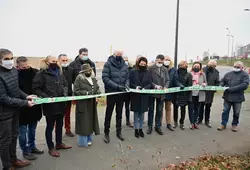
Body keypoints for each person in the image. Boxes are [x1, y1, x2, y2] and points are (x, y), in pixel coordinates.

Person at [0, 49, 35, 170]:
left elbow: (16, 89)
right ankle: (7, 165)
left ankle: (14, 159)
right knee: (5, 140)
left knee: (14, 135)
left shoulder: (14, 71)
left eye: (11, 58)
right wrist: (25, 103)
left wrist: (26, 96)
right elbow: (3, 98)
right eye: (6, 59)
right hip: (3, 113)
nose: (9, 61)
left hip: (15, 110)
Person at [33, 55, 72, 157]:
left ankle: (59, 143)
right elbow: (36, 89)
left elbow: (65, 84)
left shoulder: (59, 72)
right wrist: (47, 97)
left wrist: (64, 94)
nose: (55, 62)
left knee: (60, 125)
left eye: (56, 61)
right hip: (50, 106)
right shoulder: (41, 74)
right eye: (52, 61)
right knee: (50, 126)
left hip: (61, 104)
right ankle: (51, 147)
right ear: (47, 62)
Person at [16, 57, 44, 161]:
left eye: (27, 66)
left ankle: (32, 147)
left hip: (35, 107)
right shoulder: (14, 75)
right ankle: (25, 151)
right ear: (18, 66)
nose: (26, 68)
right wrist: (26, 98)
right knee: (22, 132)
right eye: (24, 67)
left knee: (32, 129)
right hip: (22, 108)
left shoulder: (35, 72)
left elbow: (40, 86)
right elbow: (15, 91)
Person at [102, 50, 129, 143]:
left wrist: (126, 85)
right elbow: (105, 78)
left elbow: (127, 77)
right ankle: (106, 133)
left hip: (121, 94)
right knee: (108, 114)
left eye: (121, 54)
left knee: (119, 114)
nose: (119, 56)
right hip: (112, 93)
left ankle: (119, 132)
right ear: (114, 54)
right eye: (118, 54)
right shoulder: (108, 64)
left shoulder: (124, 65)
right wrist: (117, 86)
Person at [74, 64, 101, 147]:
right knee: (83, 122)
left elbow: (97, 88)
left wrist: (98, 93)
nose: (88, 72)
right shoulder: (79, 78)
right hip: (83, 104)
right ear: (83, 72)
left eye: (89, 70)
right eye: (86, 71)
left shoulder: (93, 78)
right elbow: (76, 91)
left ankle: (89, 139)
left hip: (92, 104)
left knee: (91, 121)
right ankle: (82, 142)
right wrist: (86, 93)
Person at [218, 61, 249, 132]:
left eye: (238, 67)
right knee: (225, 111)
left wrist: (231, 89)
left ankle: (234, 125)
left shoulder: (245, 75)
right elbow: (223, 81)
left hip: (238, 97)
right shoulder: (228, 74)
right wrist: (221, 85)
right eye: (235, 66)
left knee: (236, 112)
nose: (236, 68)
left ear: (242, 67)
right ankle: (223, 124)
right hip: (227, 97)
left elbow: (245, 85)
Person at [130, 57, 152, 138]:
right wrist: (135, 87)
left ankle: (140, 129)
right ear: (138, 63)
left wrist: (145, 88)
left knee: (142, 113)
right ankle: (136, 129)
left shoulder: (148, 72)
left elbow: (150, 83)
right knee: (136, 113)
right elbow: (130, 82)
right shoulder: (133, 71)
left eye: (144, 64)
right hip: (135, 95)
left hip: (144, 95)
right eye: (141, 64)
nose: (142, 65)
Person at [147, 54, 170, 135]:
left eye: (161, 62)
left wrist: (166, 87)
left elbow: (168, 80)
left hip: (161, 93)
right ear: (156, 60)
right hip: (152, 92)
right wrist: (155, 86)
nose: (159, 63)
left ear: (163, 61)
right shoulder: (150, 68)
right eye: (158, 61)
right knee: (151, 110)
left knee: (159, 110)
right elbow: (148, 80)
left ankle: (158, 126)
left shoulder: (165, 69)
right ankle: (149, 126)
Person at [163, 56, 184, 131]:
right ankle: (157, 124)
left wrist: (180, 85)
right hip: (160, 92)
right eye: (166, 60)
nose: (167, 61)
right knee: (159, 109)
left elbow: (176, 80)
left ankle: (168, 124)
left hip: (169, 92)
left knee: (168, 108)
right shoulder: (160, 68)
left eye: (168, 60)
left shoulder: (173, 70)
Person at [198, 60, 220, 128]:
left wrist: (214, 89)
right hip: (202, 91)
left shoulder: (216, 72)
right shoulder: (202, 70)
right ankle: (199, 119)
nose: (212, 67)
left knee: (208, 107)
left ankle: (207, 120)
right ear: (208, 65)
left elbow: (217, 82)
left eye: (213, 66)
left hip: (210, 93)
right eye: (210, 66)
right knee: (200, 106)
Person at [58, 54, 75, 137]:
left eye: (66, 60)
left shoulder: (71, 70)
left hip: (68, 95)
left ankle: (68, 130)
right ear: (59, 61)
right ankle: (58, 131)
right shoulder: (56, 70)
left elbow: (74, 82)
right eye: (63, 60)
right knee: (58, 115)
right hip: (58, 97)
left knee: (67, 115)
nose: (65, 62)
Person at [173, 61, 192, 130]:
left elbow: (190, 86)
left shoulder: (189, 75)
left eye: (184, 66)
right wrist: (180, 86)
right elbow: (174, 81)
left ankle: (181, 123)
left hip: (184, 95)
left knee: (183, 110)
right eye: (180, 65)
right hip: (176, 94)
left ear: (186, 66)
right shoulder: (175, 73)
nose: (182, 67)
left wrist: (188, 94)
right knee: (175, 109)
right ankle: (175, 122)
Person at [188, 61, 207, 130]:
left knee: (197, 109)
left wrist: (204, 84)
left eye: (198, 66)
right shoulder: (189, 74)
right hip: (191, 94)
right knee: (191, 109)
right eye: (195, 66)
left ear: (200, 68)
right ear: (192, 66)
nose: (196, 67)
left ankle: (195, 122)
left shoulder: (203, 74)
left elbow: (206, 83)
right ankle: (191, 123)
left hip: (199, 94)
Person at [123, 56, 133, 128]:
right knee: (119, 107)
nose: (126, 61)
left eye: (127, 60)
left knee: (127, 107)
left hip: (128, 91)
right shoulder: (120, 68)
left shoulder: (130, 69)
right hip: (120, 90)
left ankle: (128, 120)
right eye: (124, 60)